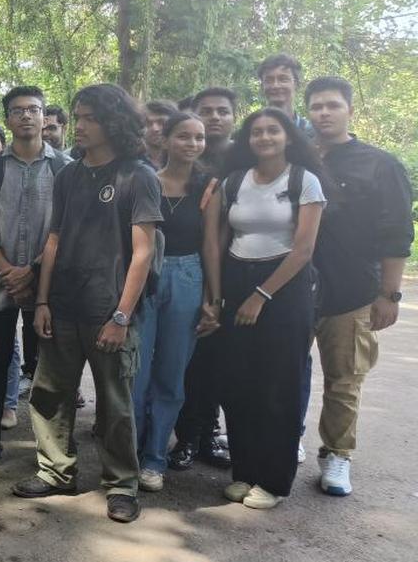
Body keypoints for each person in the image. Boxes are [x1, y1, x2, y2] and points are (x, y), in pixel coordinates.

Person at [12, 84, 161, 524]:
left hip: (108, 311)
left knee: (115, 405)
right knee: (49, 396)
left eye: (88, 118)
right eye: (77, 116)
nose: (79, 126)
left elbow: (143, 252)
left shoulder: (138, 175)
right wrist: (41, 300)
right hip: (62, 305)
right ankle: (56, 471)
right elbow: (53, 239)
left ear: (112, 122)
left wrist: (121, 315)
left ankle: (121, 485)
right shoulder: (69, 174)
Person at [211, 108, 325, 509]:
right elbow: (222, 238)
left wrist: (262, 295)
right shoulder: (234, 182)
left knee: (279, 385)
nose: (264, 137)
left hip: (284, 288)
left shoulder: (303, 181)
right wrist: (222, 293)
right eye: (256, 131)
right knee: (240, 383)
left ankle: (274, 481)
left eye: (272, 130)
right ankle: (245, 472)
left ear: (288, 137)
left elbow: (304, 249)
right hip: (237, 280)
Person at [306, 77, 413, 496]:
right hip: (293, 289)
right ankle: (285, 441)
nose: (324, 113)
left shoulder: (379, 164)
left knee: (345, 378)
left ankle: (337, 454)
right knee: (284, 372)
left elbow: (396, 233)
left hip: (351, 292)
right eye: (316, 106)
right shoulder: (298, 158)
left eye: (332, 105)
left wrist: (389, 294)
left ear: (350, 110)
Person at [0, 87, 71, 474]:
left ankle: (54, 448)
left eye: (34, 110)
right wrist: (10, 270)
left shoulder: (65, 168)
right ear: (7, 119)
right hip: (0, 284)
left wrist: (34, 270)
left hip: (49, 285)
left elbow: (68, 229)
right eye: (18, 111)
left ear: (45, 118)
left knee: (53, 366)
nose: (27, 116)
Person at [131, 112, 220, 492]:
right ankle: (127, 455)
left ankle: (154, 459)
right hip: (145, 274)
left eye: (198, 138)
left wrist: (212, 298)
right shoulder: (144, 180)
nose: (192, 144)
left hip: (187, 276)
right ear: (165, 140)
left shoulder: (209, 186)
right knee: (135, 373)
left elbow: (211, 243)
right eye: (184, 136)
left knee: (171, 374)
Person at [169, 87, 238, 470]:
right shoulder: (181, 163)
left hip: (239, 272)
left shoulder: (243, 157)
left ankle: (209, 434)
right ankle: (187, 437)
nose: (214, 119)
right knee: (188, 361)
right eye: (206, 112)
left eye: (222, 111)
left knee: (215, 363)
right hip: (189, 272)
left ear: (233, 117)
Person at [257, 54, 312, 134]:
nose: (275, 85)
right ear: (262, 86)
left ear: (296, 83)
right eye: (269, 80)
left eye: (283, 79)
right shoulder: (252, 133)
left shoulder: (310, 133)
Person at [142, 100, 179, 168]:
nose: (155, 129)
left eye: (162, 123)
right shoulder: (131, 163)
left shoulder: (184, 160)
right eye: (148, 123)